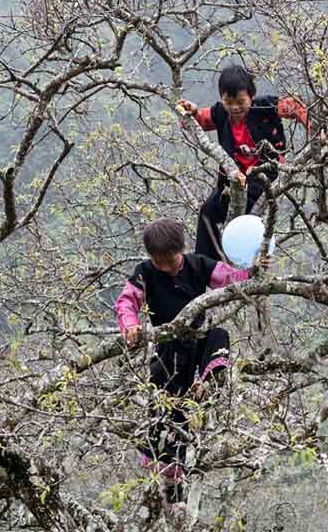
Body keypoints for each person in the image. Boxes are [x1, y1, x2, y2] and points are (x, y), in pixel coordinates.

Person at [114, 218, 257, 508]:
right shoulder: (144, 274)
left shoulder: (197, 264)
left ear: (182, 249)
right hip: (169, 350)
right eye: (160, 262)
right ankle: (170, 480)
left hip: (199, 339)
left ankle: (210, 380)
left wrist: (256, 268)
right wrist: (130, 326)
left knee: (219, 335)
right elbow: (127, 302)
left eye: (172, 260)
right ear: (151, 258)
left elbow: (231, 278)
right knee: (166, 412)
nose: (166, 267)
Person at [177, 65, 308, 259]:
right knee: (207, 213)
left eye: (240, 101)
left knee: (242, 219)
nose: (235, 107)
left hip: (264, 176)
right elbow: (202, 120)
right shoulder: (221, 112)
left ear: (252, 96)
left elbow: (295, 107)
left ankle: (243, 259)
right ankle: (207, 264)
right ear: (222, 98)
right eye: (229, 102)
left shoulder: (263, 107)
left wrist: (315, 128)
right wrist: (192, 111)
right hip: (232, 181)